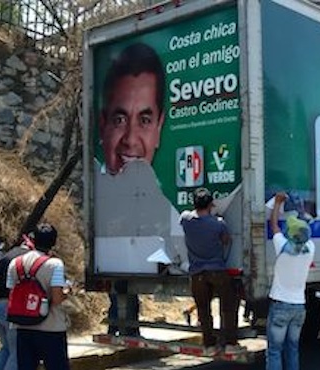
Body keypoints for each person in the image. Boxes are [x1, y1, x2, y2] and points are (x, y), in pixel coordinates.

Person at [180, 188, 242, 353]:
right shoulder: (218, 224)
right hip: (217, 271)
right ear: (211, 204)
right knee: (228, 306)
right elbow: (226, 241)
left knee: (203, 309)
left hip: (196, 274)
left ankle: (209, 344)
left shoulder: (186, 219)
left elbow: (188, 215)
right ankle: (230, 343)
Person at [7, 224, 71, 370]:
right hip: (51, 328)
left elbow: (12, 292)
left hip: (23, 326)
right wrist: (67, 291)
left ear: (33, 240)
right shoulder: (55, 264)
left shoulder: (15, 263)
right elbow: (56, 299)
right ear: (54, 242)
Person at [99, 42, 165, 175]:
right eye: (120, 120)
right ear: (102, 126)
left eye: (145, 120)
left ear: (159, 127)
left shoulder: (167, 196)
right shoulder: (93, 192)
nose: (130, 140)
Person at [266, 192, 315, 370]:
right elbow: (304, 227)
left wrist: (278, 203)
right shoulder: (310, 248)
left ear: (290, 234)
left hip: (280, 305)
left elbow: (274, 226)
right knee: (292, 349)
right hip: (299, 306)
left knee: (274, 350)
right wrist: (300, 209)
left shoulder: (283, 247)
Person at [0, 235, 33, 370]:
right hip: (8, 309)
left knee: (7, 348)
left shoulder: (6, 259)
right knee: (16, 352)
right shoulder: (29, 258)